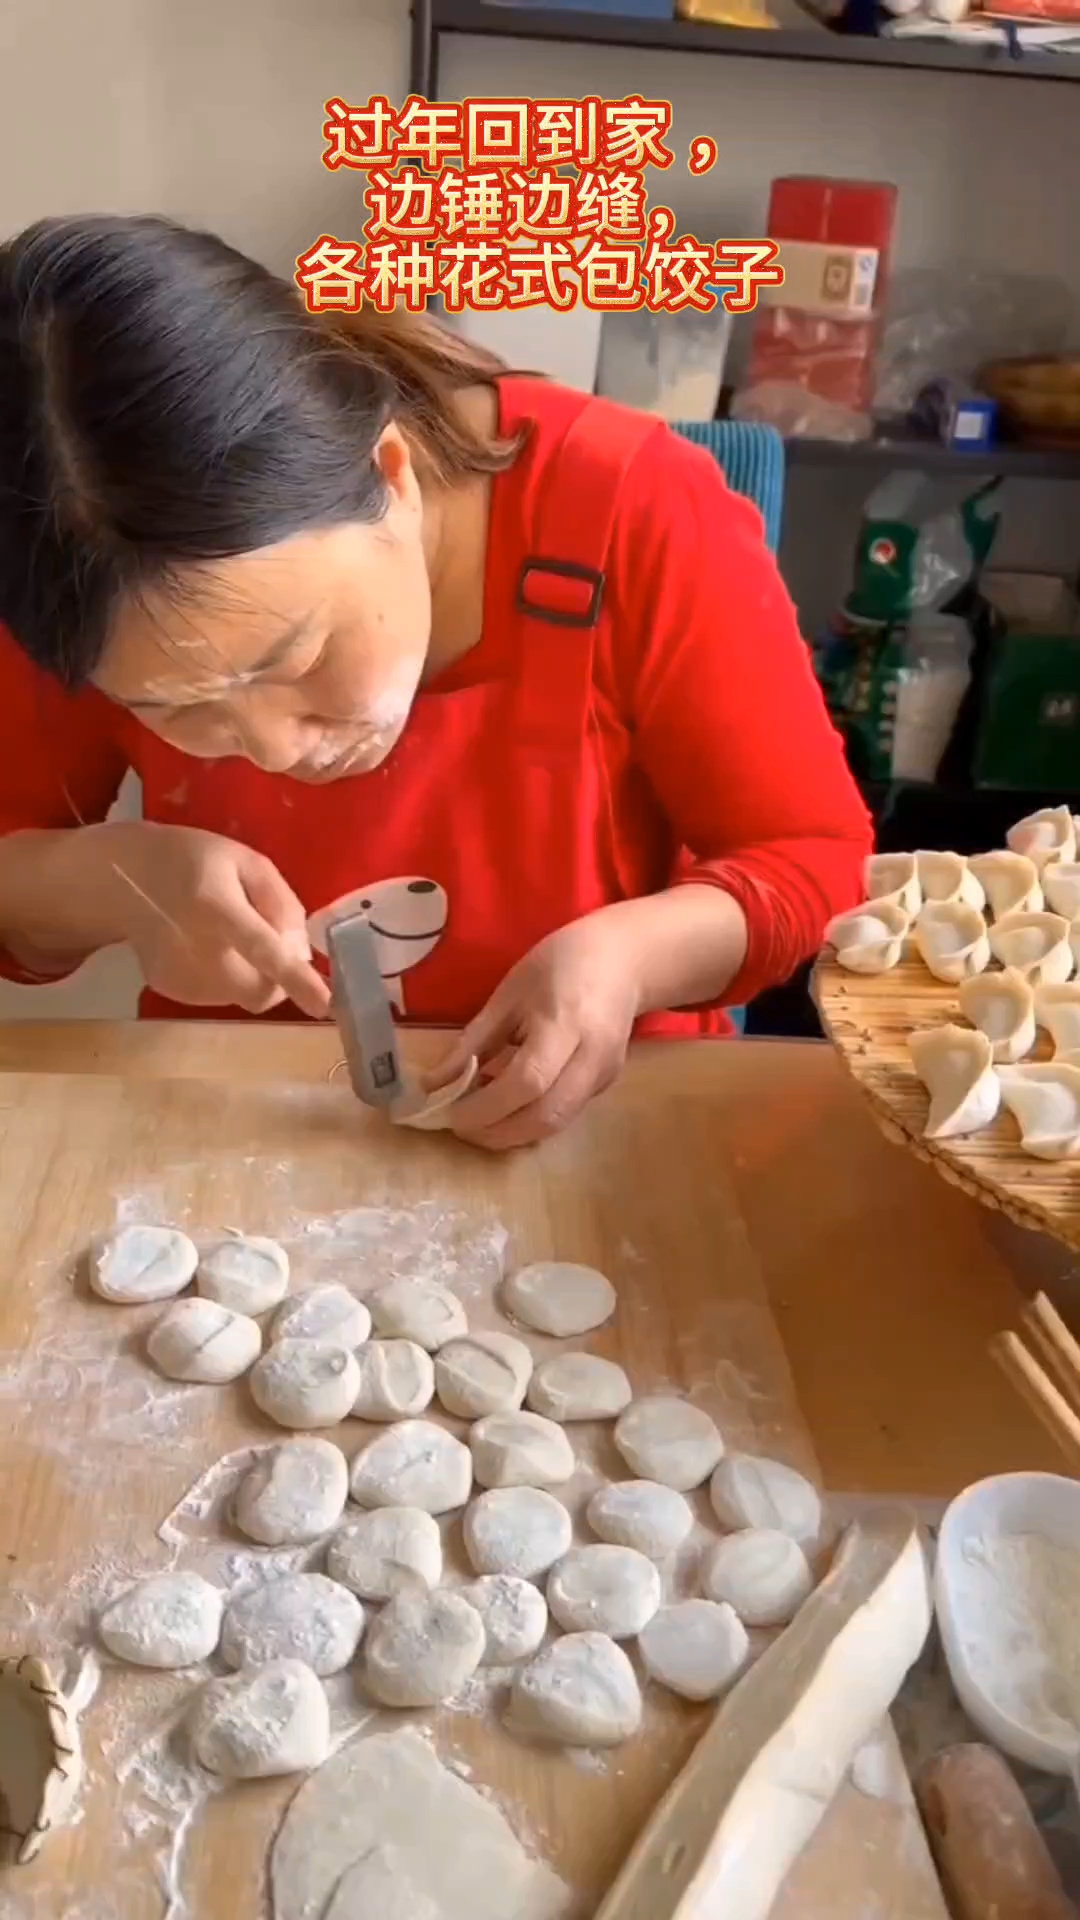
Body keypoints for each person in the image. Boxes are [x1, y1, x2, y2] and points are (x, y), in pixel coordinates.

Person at [0, 214, 870, 1151]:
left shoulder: (636, 510)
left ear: (392, 473)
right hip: (230, 1121)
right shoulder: (72, 551)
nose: (274, 750)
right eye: (172, 707)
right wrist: (116, 883)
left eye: (298, 656)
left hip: (608, 1131)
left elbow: (815, 863)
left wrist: (626, 960)